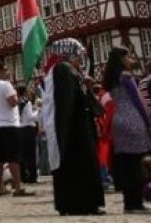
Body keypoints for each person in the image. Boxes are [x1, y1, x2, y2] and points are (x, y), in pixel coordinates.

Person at [42, 38, 105, 216]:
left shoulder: (70, 70)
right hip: (75, 129)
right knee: (79, 164)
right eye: (78, 55)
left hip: (79, 125)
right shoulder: (63, 69)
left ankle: (84, 203)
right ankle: (80, 204)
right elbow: (66, 101)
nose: (80, 59)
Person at [103, 46, 151, 214]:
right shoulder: (126, 76)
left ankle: (129, 203)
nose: (131, 59)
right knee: (136, 164)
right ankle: (137, 203)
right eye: (128, 56)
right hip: (132, 118)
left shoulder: (111, 77)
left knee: (126, 163)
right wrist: (148, 122)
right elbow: (138, 100)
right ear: (122, 59)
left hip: (118, 119)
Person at [0, 60, 32, 197]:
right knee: (13, 159)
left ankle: (0, 188)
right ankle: (17, 187)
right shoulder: (6, 85)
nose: (8, 72)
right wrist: (18, 98)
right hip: (10, 124)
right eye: (6, 70)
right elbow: (12, 103)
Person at [18, 84, 38, 184]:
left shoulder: (18, 102)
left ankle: (24, 176)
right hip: (29, 128)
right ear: (25, 92)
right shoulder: (27, 103)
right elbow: (31, 117)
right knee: (31, 154)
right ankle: (33, 176)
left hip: (20, 129)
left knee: (23, 154)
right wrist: (37, 111)